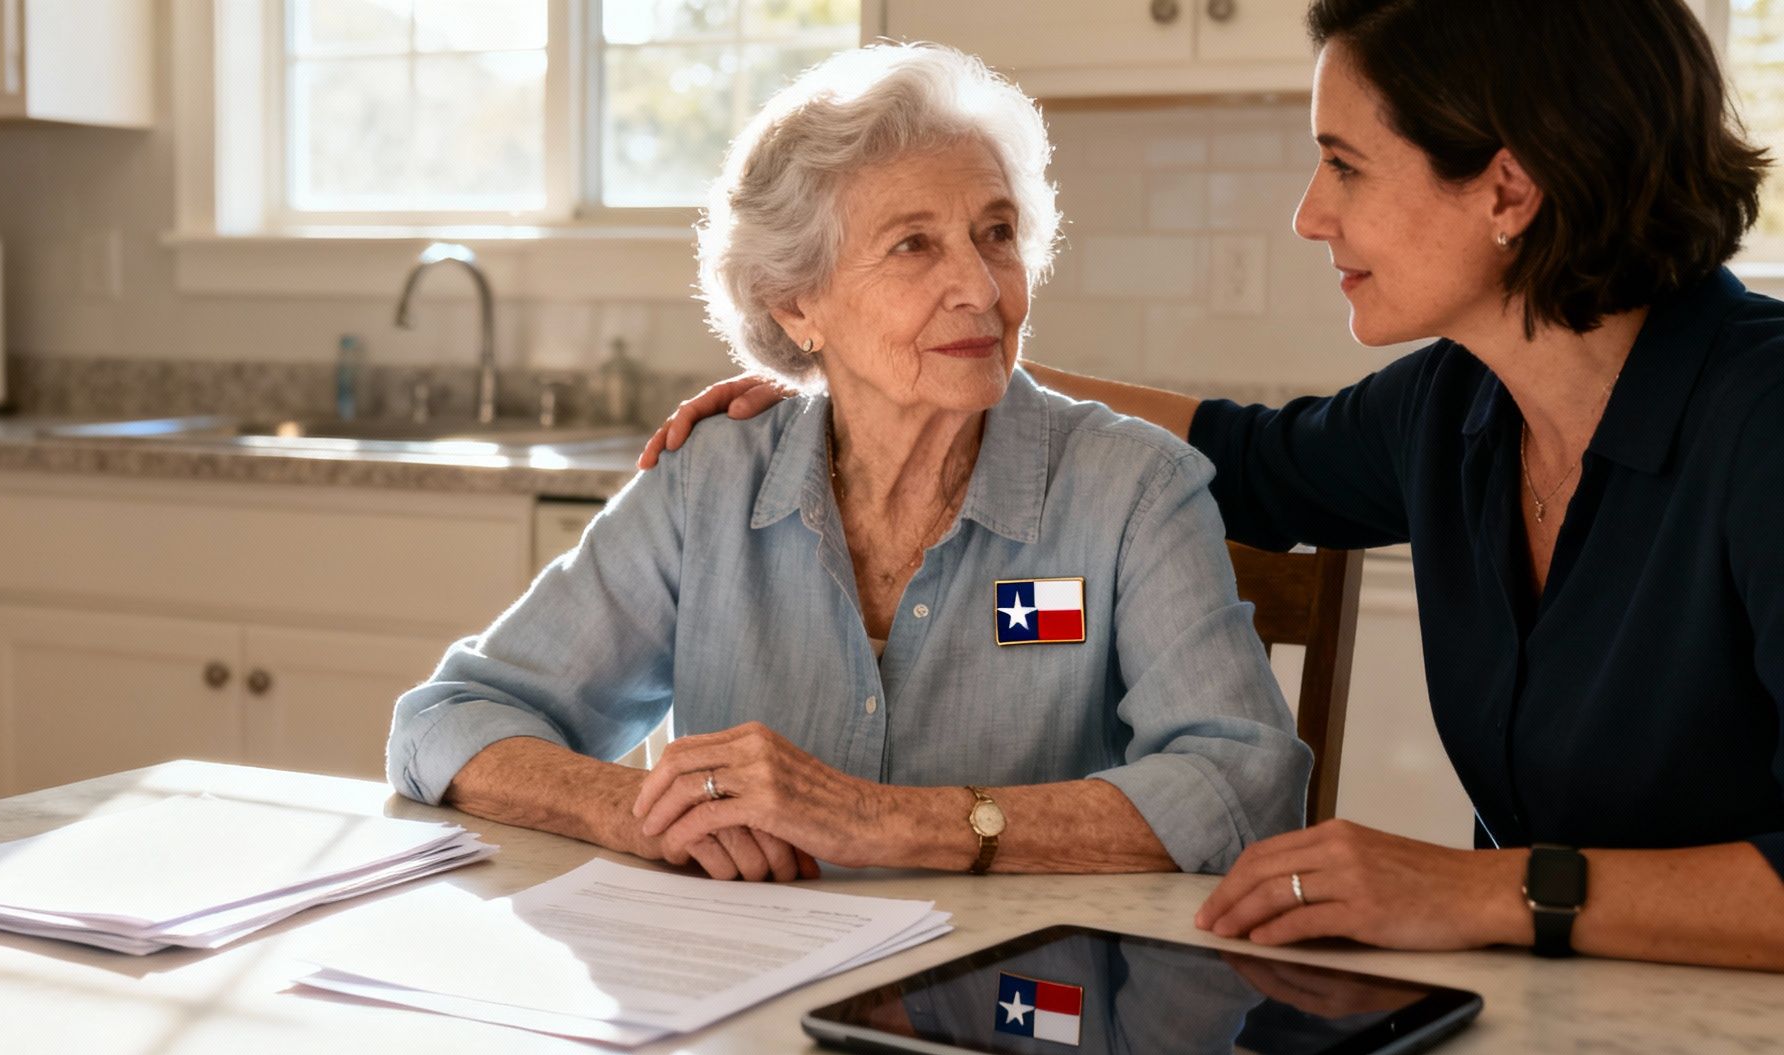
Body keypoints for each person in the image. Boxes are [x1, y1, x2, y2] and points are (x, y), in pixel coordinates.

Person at [639, 0, 1784, 968]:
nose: (1307, 212)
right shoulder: (1453, 408)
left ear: (1506, 190)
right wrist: (875, 371)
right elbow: (1243, 458)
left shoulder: (1762, 422)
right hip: (1564, 1023)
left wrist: (1482, 891)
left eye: (1343, 164)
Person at [387, 44, 1310, 883]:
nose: (983, 287)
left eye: (996, 233)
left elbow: (1246, 784)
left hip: (1022, 1006)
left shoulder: (1134, 491)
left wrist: (887, 823)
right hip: (741, 1010)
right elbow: (446, 722)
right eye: (914, 245)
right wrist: (643, 816)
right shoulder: (710, 484)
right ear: (796, 305)